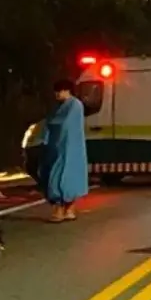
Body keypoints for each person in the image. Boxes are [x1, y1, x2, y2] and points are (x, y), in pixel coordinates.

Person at [41, 79, 89, 222]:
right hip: (57, 147)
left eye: (59, 91)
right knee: (55, 175)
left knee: (67, 176)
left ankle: (67, 208)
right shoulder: (58, 107)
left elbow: (65, 124)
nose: (56, 94)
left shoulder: (75, 105)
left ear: (67, 90)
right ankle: (61, 208)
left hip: (70, 147)